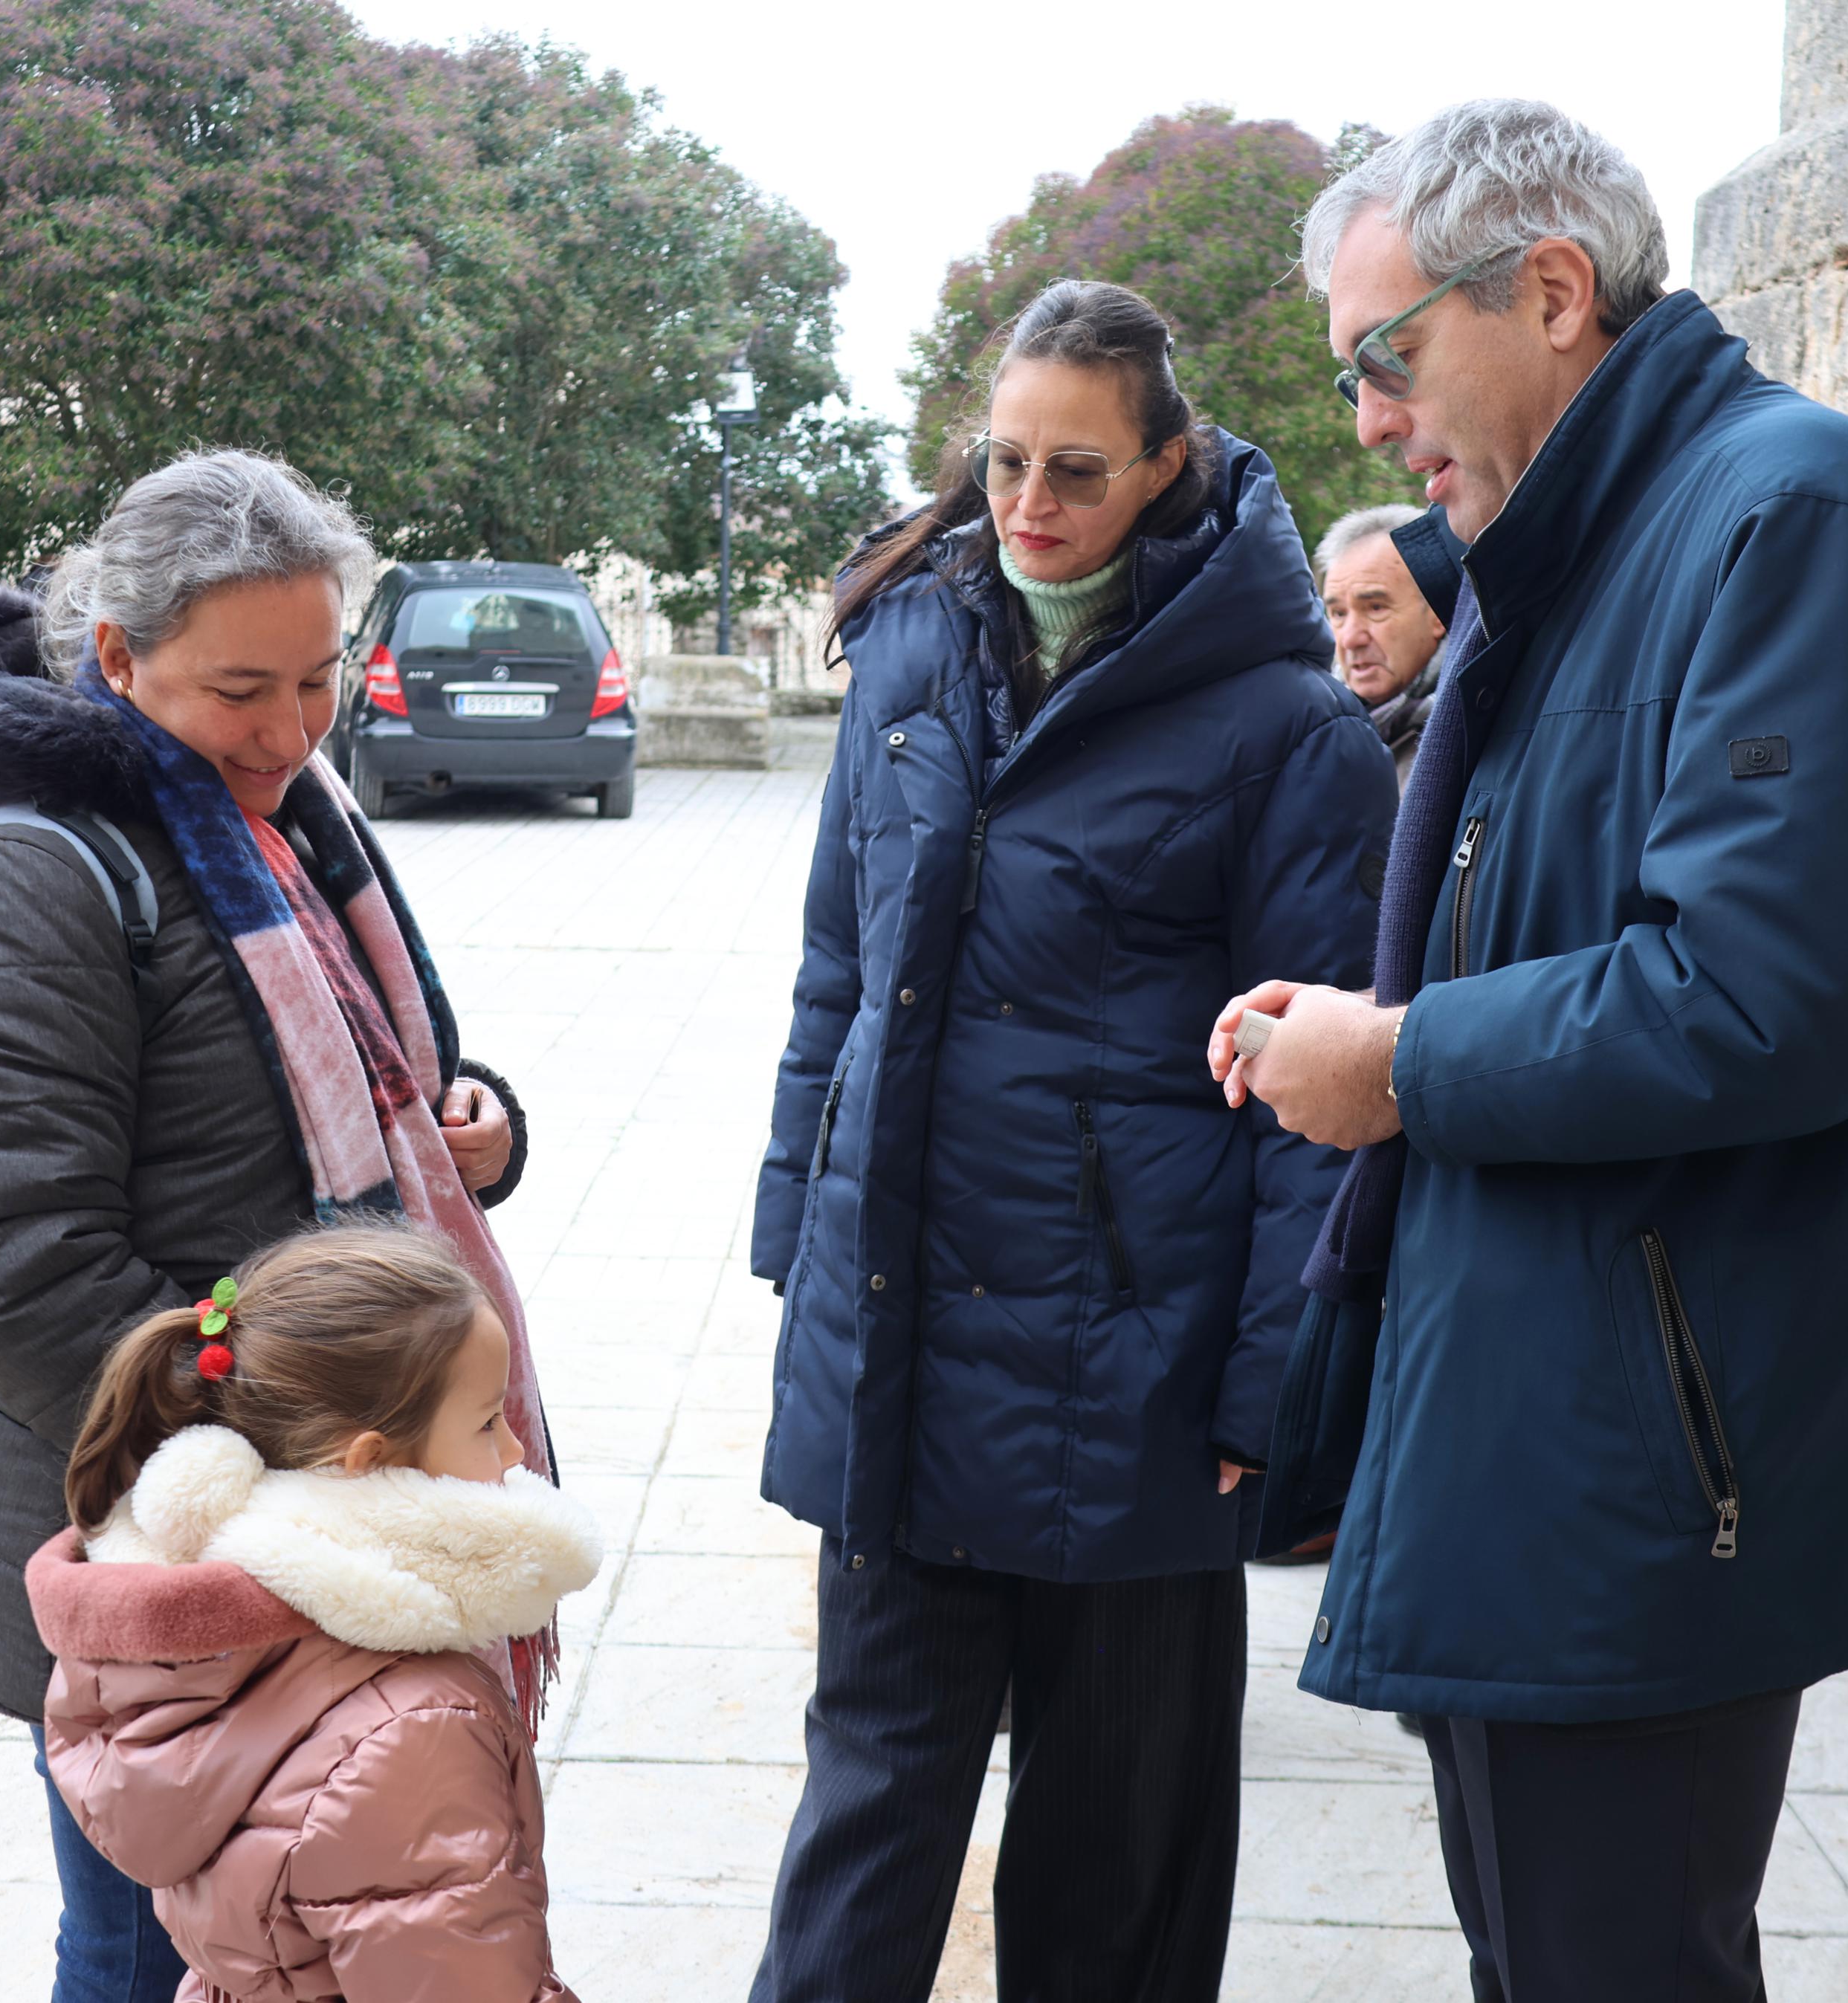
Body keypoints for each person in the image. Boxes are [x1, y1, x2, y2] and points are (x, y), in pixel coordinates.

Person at [1209, 100, 1848, 2002]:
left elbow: (1770, 988)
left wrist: (1393, 1062)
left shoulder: (1784, 512)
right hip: (1537, 1401)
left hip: (1637, 1447)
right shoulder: (1591, 537)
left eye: (1385, 358)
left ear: (1550, 291)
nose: (1370, 423)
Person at [746, 279, 1396, 2003]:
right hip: (892, 1331)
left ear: (1167, 465)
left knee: (1114, 1866)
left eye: (1079, 470)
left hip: (1135, 1368)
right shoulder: (907, 646)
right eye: (1005, 460)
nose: (1030, 502)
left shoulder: (1284, 725)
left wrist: (1268, 1387)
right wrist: (792, 1229)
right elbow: (838, 967)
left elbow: (1316, 1096)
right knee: (861, 1826)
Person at [0, 450, 552, 2003]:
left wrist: (473, 1122)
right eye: (243, 690)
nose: (292, 732)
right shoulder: (17, 876)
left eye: (319, 680)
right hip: (167, 1537)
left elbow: (375, 1069)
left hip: (310, 1496)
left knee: (277, 1941)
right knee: (144, 1954)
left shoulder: (278, 816)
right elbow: (22, 1270)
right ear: (116, 655)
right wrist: (297, 1457)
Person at [29, 1226, 597, 2003]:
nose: (513, 1453)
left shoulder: (201, 1655)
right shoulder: (411, 1731)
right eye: (485, 1422)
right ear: (368, 1462)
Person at [1314, 503, 1450, 787]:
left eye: (1376, 608)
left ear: (1438, 608)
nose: (1350, 639)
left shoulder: (1470, 735)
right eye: (1338, 614)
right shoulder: (1314, 735)